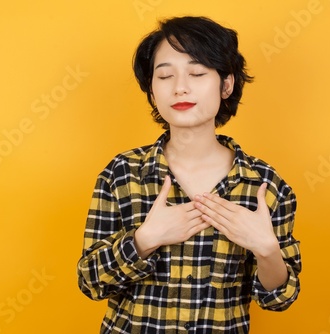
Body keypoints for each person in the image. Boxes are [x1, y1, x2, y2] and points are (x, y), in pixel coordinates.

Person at [77, 16, 301, 333]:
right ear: (153, 92)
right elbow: (91, 283)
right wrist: (145, 239)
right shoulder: (122, 173)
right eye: (165, 76)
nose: (180, 87)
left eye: (197, 73)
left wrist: (266, 250)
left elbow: (279, 298)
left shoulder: (265, 185)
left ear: (226, 84)